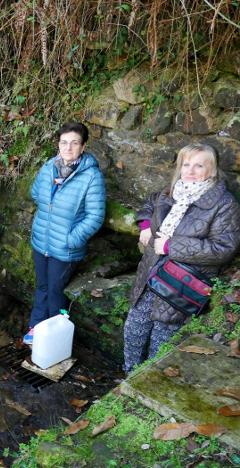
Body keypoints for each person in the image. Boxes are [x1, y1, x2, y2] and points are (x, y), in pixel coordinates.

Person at [123, 143, 240, 373]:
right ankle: (126, 377)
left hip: (179, 283)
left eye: (199, 165)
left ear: (212, 170)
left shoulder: (224, 205)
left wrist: (170, 246)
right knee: (133, 328)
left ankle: (148, 386)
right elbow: (150, 201)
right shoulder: (173, 190)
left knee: (161, 340)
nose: (191, 170)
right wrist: (146, 224)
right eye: (186, 164)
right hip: (150, 272)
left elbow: (223, 248)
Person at [24, 122, 105, 345]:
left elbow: (95, 216)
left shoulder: (91, 177)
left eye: (74, 143)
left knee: (56, 291)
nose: (68, 148)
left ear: (83, 146)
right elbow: (35, 193)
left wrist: (71, 239)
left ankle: (52, 338)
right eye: (64, 142)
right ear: (58, 144)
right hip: (42, 241)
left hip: (65, 248)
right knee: (41, 286)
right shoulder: (49, 167)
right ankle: (36, 326)